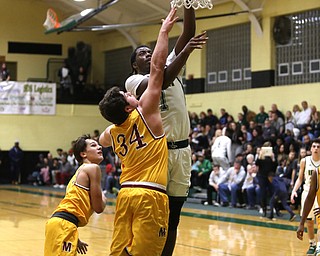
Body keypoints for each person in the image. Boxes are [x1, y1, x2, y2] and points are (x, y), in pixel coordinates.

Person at [124, 6, 208, 256]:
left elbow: (188, 31)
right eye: (142, 53)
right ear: (134, 65)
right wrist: (186, 52)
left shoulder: (167, 63)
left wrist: (189, 3)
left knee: (174, 218)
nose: (148, 54)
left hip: (182, 151)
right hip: (158, 153)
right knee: (153, 216)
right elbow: (164, 78)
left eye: (150, 51)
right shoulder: (133, 82)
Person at [99, 8, 179, 255]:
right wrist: (164, 31)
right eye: (127, 95)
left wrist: (117, 118)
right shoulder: (146, 113)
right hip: (150, 195)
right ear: (127, 105)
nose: (131, 94)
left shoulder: (113, 131)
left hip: (125, 195)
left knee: (120, 252)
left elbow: (102, 139)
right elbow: (156, 69)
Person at [44, 134, 107, 255]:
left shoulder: (78, 173)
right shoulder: (93, 168)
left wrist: (74, 237)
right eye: (94, 145)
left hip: (59, 223)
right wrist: (104, 197)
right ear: (83, 154)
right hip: (63, 225)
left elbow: (71, 206)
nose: (99, 147)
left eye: (99, 145)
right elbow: (99, 207)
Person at [292, 139, 320, 255]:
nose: (316, 148)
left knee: (318, 220)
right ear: (310, 149)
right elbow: (300, 179)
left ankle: (318, 245)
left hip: (318, 193)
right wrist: (294, 190)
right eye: (314, 146)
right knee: (308, 220)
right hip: (307, 192)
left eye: (318, 146)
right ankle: (312, 243)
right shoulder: (305, 161)